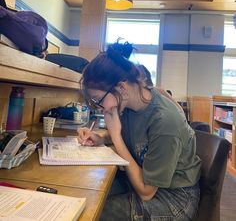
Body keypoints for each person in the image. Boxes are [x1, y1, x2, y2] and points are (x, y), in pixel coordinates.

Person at [78, 42, 201, 221]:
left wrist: (116, 138)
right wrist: (101, 137)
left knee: (91, 212)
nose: (99, 107)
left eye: (99, 100)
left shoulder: (164, 121)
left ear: (121, 87)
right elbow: (133, 137)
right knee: (88, 191)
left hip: (175, 198)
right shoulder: (129, 104)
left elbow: (146, 192)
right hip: (146, 180)